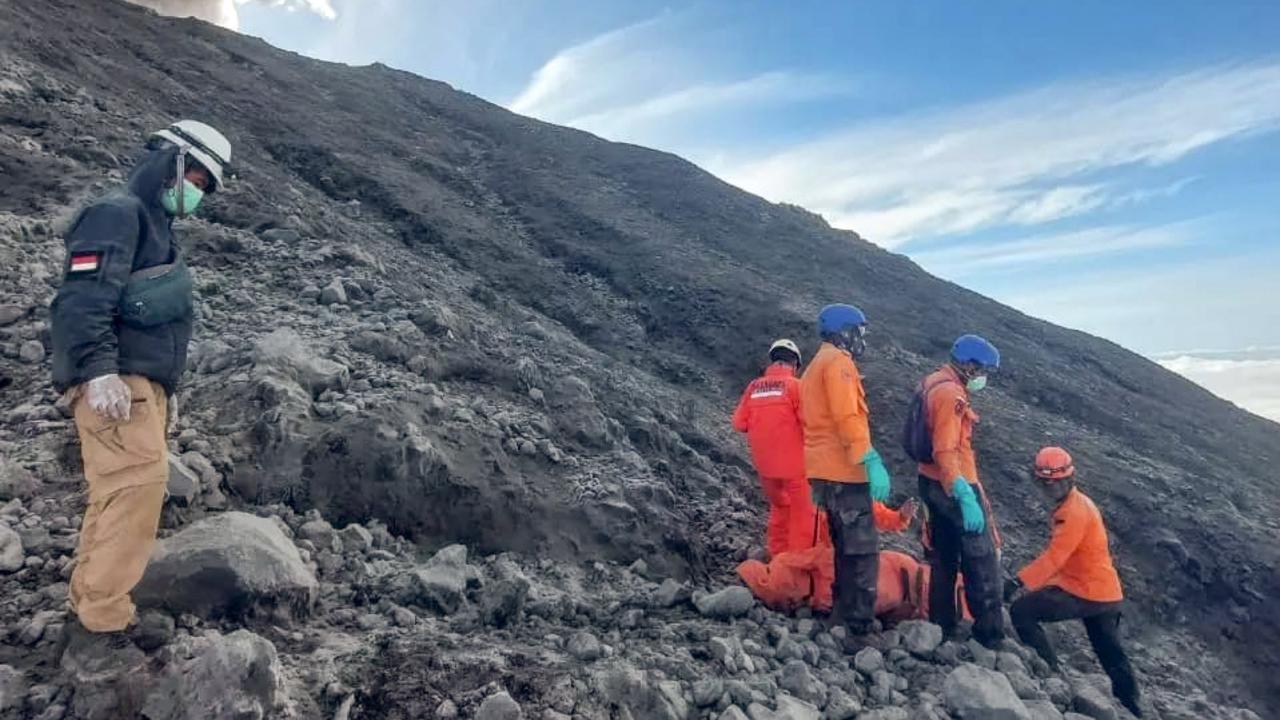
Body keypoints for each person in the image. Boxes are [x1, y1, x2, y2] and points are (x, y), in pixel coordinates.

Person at [50, 120, 232, 643]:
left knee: (118, 493)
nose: (195, 190)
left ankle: (89, 600)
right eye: (193, 175)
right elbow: (82, 298)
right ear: (168, 160)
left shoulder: (154, 226)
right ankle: (103, 622)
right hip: (115, 382)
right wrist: (98, 370)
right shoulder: (118, 213)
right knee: (137, 489)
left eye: (204, 185)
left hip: (137, 385)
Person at [1005, 447, 1142, 717]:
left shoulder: (1073, 513)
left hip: (1086, 591)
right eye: (1046, 482)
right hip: (1106, 593)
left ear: (1069, 478)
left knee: (1022, 612)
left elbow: (1055, 557)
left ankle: (1050, 674)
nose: (1050, 486)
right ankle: (1132, 707)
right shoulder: (1078, 503)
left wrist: (1016, 582)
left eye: (1054, 481)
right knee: (1111, 654)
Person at [800, 303, 892, 641]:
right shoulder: (839, 363)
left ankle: (840, 615)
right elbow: (847, 417)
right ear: (843, 331)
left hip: (822, 472)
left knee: (844, 547)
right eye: (857, 331)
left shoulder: (814, 366)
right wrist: (868, 459)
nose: (860, 339)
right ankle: (858, 627)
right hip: (844, 472)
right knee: (862, 550)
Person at [916, 334, 1005, 646]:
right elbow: (945, 450)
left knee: (943, 557)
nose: (983, 378)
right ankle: (990, 635)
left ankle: (941, 626)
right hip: (954, 485)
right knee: (981, 562)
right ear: (969, 365)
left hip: (929, 482)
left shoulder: (932, 382)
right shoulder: (951, 395)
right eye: (982, 371)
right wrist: (963, 493)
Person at [739, 500, 941, 621]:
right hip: (815, 569)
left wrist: (899, 517)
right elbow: (780, 519)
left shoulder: (842, 487)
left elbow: (872, 512)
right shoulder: (800, 484)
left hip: (827, 568)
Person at [731, 339, 816, 557]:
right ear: (795, 365)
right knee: (802, 516)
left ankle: (778, 558)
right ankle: (795, 568)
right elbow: (810, 423)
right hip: (796, 469)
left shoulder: (753, 387)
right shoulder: (796, 386)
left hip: (766, 470)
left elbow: (739, 423)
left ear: (772, 360)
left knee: (780, 509)